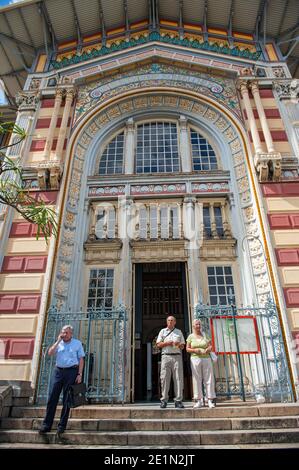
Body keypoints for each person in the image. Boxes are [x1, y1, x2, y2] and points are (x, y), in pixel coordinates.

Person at [39, 325, 85, 436]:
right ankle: (46, 425)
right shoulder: (59, 343)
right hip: (58, 371)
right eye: (63, 332)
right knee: (52, 398)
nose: (64, 334)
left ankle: (61, 426)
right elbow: (50, 353)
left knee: (67, 399)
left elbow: (81, 359)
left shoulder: (77, 343)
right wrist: (58, 340)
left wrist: (79, 374)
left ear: (71, 334)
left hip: (71, 372)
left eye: (66, 333)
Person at [156, 315, 185, 409]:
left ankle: (178, 401)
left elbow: (183, 346)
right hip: (166, 356)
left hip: (177, 356)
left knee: (178, 378)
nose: (170, 322)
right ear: (166, 322)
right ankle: (164, 400)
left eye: (172, 320)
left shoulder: (179, 332)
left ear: (175, 322)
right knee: (164, 379)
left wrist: (179, 344)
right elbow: (158, 344)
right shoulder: (162, 331)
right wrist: (167, 343)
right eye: (168, 320)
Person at [186, 319, 216, 408]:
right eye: (196, 324)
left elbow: (211, 346)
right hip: (195, 358)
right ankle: (198, 400)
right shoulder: (190, 337)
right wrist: (195, 350)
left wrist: (208, 349)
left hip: (206, 358)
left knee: (209, 378)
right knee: (197, 379)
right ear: (193, 326)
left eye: (199, 324)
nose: (198, 326)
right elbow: (187, 349)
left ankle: (210, 400)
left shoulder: (205, 335)